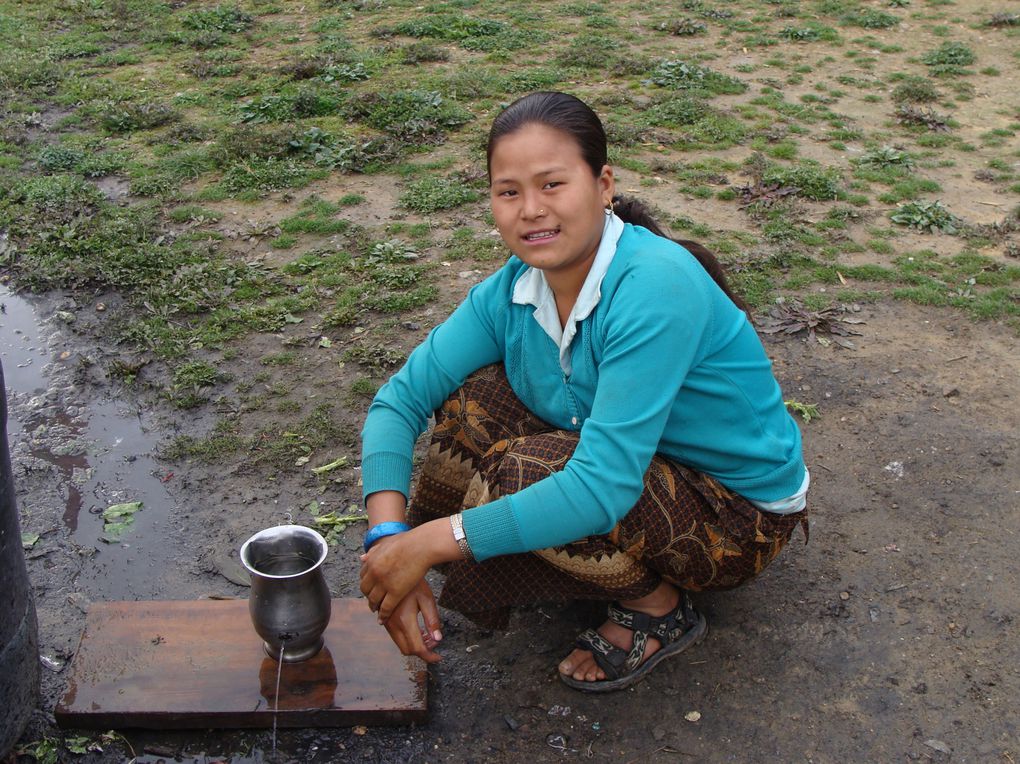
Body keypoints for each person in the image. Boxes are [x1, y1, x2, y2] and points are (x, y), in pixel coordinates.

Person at [358, 91, 809, 692]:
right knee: (473, 405)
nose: (531, 211)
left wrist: (433, 542)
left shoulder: (655, 286)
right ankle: (424, 571)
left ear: (603, 185)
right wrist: (391, 538)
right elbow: (400, 400)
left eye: (553, 184)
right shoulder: (514, 289)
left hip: (731, 515)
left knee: (523, 475)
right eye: (509, 191)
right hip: (640, 463)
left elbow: (602, 485)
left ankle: (658, 609)